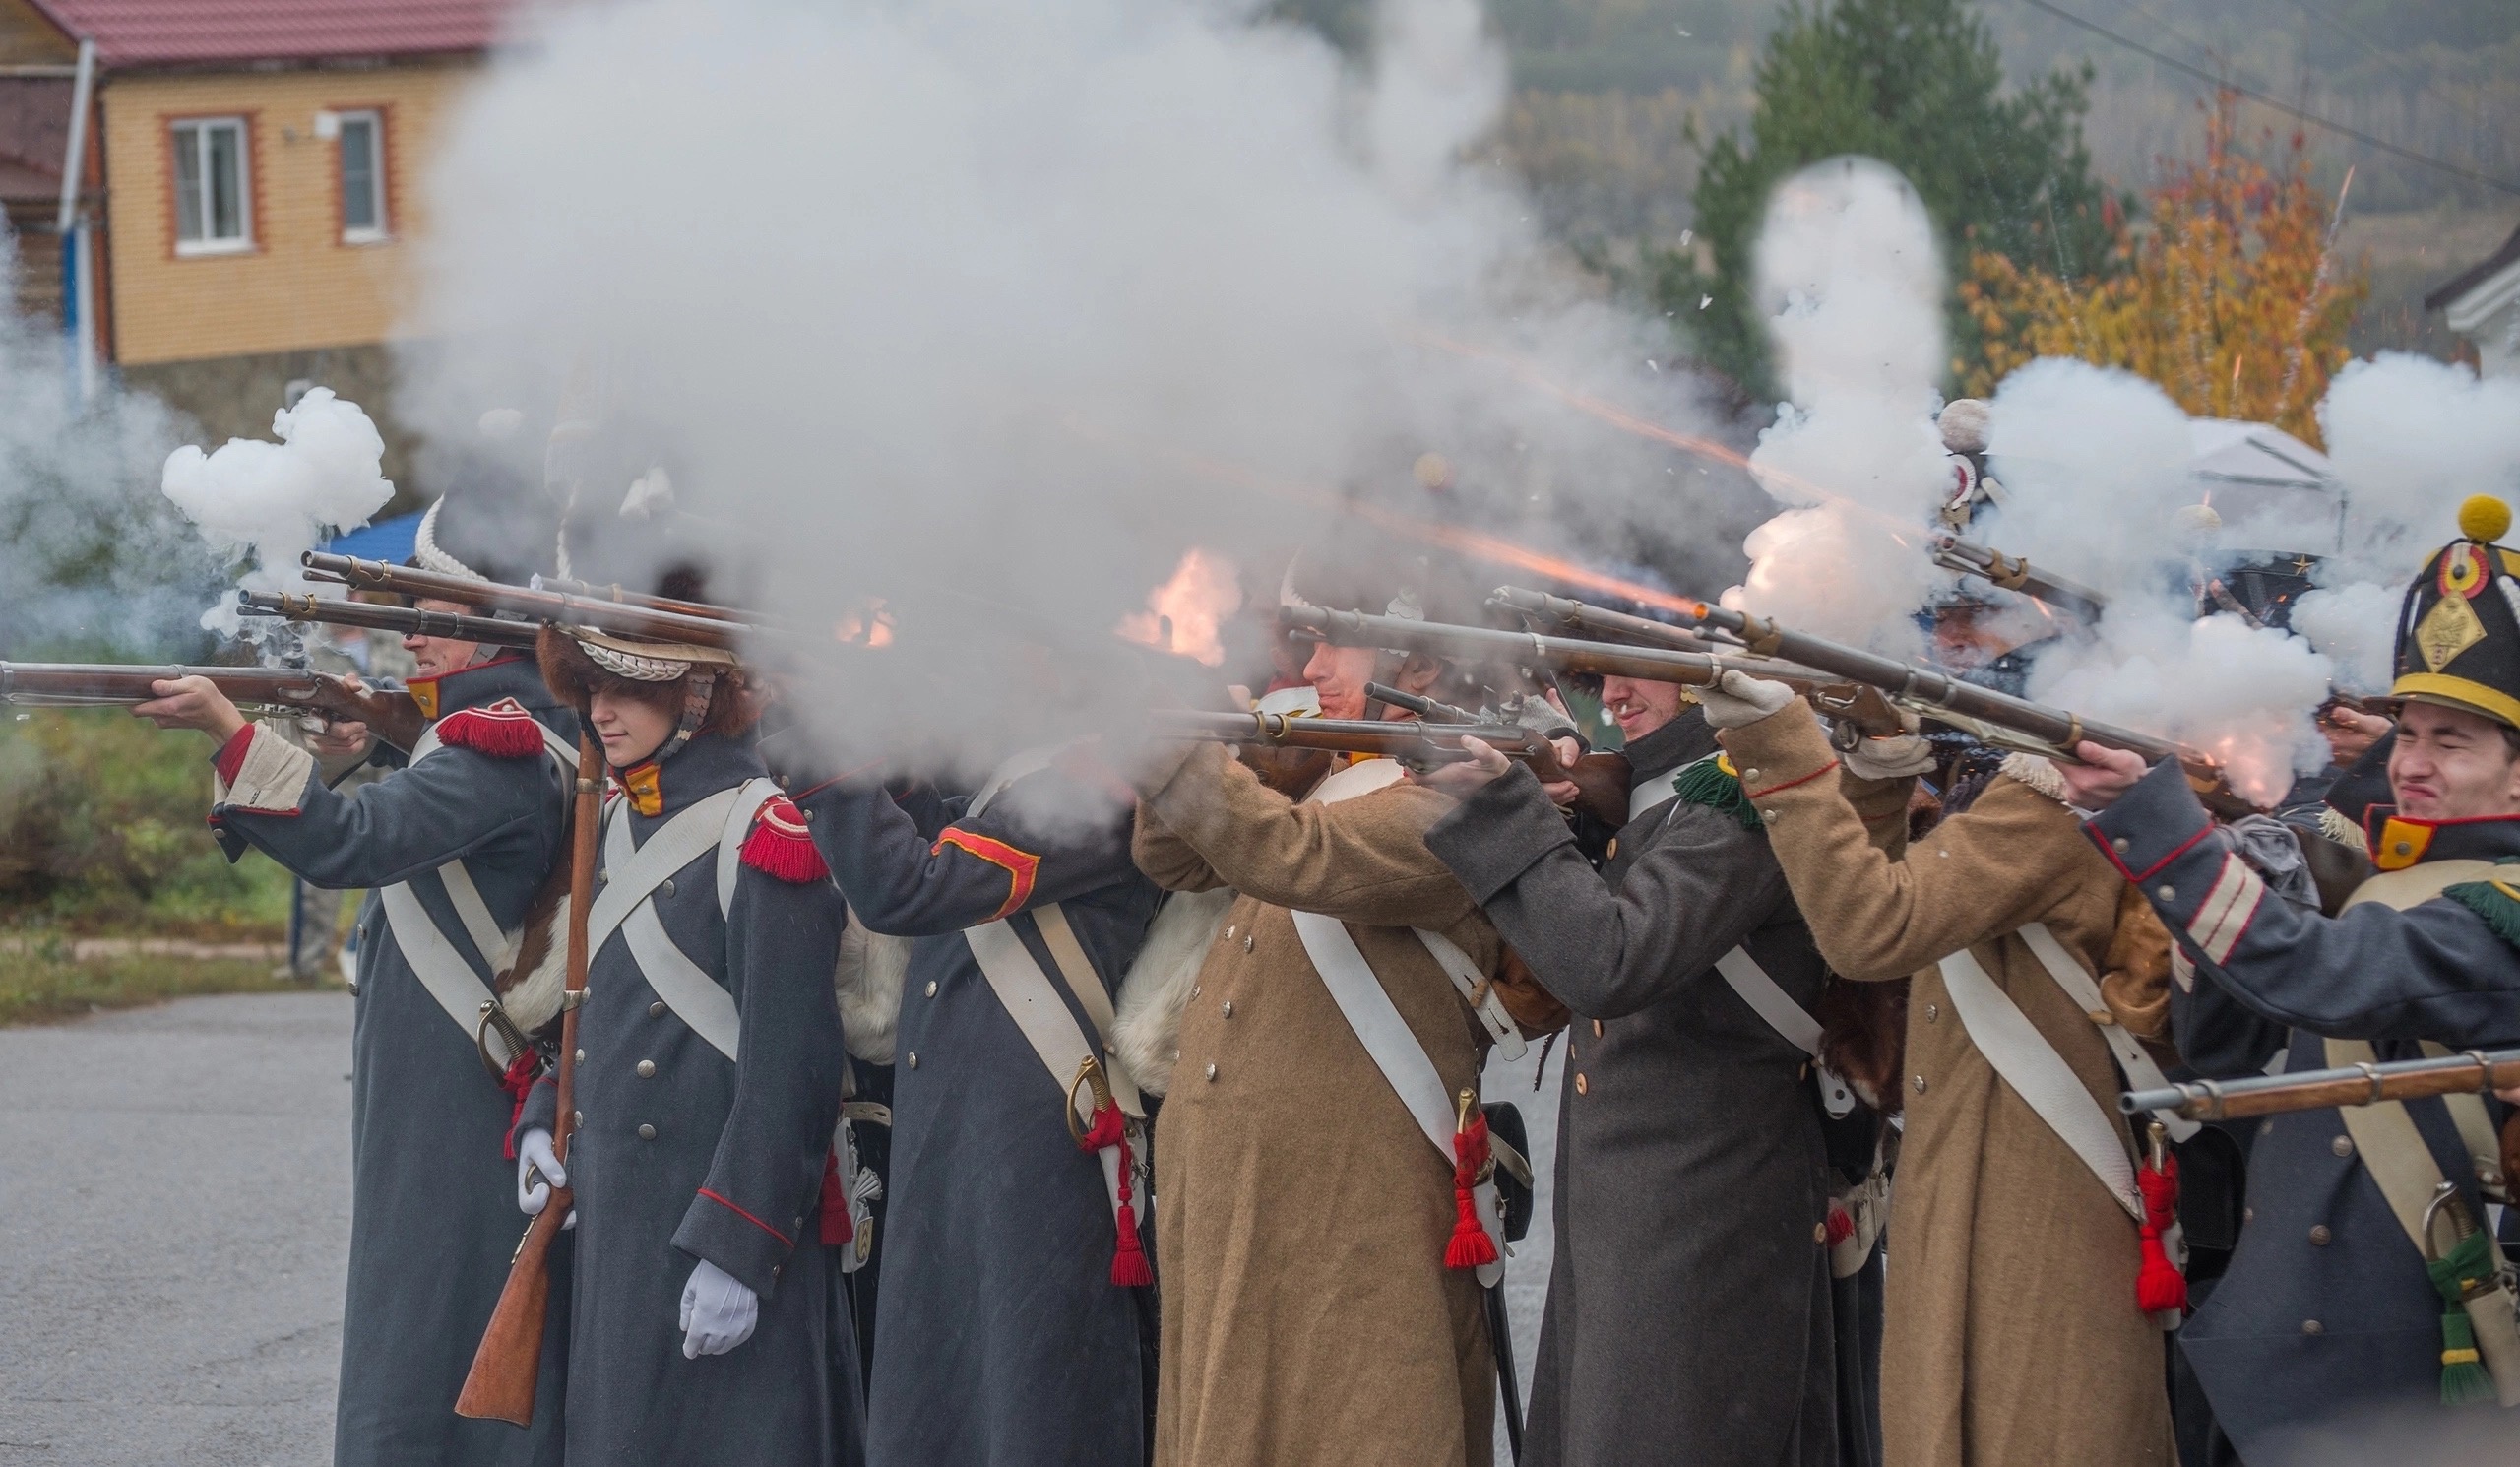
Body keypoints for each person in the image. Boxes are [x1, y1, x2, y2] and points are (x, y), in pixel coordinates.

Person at [2064, 498, 2520, 1456]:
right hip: (2279, 1342)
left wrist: (2160, 818)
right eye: (2409, 730)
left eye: (2453, 740)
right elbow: (2229, 1049)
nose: (2416, 762)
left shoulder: (2497, 913)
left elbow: (2319, 973)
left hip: (2380, 1362)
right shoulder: (2406, 868)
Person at [131, 494, 577, 1467]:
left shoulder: (492, 748)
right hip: (449, 1085)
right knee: (434, 1302)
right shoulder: (487, 738)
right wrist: (377, 736)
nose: (408, 636)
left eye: (426, 615)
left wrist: (227, 728)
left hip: (454, 1097)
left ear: (485, 625)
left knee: (427, 1318)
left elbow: (355, 842)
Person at [1414, 670, 1910, 1467]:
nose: (1611, 691)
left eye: (1636, 663)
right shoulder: (1655, 790)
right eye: (1595, 672)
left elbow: (1611, 960)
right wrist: (1567, 810)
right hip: (1643, 1218)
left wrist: (1503, 807)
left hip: (1711, 1214)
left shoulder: (1751, 795)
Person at [1705, 670, 2182, 1467]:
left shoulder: (2044, 799)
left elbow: (1871, 927)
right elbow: (1886, 911)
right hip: (1982, 1181)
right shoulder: (2013, 789)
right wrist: (1880, 775)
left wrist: (1777, 745)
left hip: (2032, 1201)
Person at [1126, 564, 1541, 1467]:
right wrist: (1202, 723)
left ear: (1420, 667)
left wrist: (1177, 748)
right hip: (1254, 1189)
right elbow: (1173, 858)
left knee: (1361, 1419)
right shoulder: (1336, 767)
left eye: (1335, 642)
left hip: (1355, 1196)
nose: (1312, 666)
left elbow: (1287, 854)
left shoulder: (1458, 800)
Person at [514, 613, 861, 1466]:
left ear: (700, 696)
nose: (601, 710)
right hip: (620, 1217)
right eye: (592, 685)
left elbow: (794, 1071)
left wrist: (739, 1252)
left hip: (715, 1219)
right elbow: (594, 1008)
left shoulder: (762, 832)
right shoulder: (620, 814)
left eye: (632, 687)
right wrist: (539, 1114)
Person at [777, 721, 1164, 1466]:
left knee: (1033, 1413)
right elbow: (948, 843)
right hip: (967, 1147)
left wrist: (825, 732)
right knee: (943, 1408)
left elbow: (912, 888)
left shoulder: (1095, 784)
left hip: (1035, 1159)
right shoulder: (1029, 770)